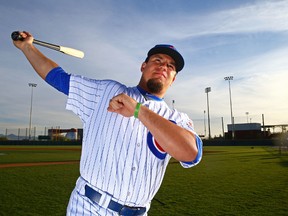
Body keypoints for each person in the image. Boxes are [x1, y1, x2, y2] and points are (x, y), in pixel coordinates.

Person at [13, 31, 203, 216]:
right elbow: (58, 78)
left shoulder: (178, 119)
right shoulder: (107, 90)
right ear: (143, 66)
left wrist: (138, 111)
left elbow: (190, 154)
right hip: (88, 207)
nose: (164, 67)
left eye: (171, 66)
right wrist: (27, 47)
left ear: (174, 78)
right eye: (158, 60)